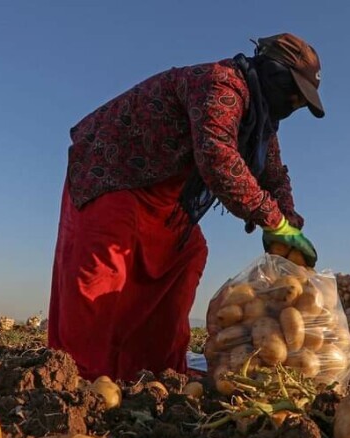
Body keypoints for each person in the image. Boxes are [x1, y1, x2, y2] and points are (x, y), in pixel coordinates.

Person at [48, 33, 325, 381]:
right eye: (294, 92)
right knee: (103, 274)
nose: (295, 102)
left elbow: (275, 175)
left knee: (187, 256)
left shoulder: (262, 122)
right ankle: (79, 379)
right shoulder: (221, 85)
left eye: (302, 100)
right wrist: (273, 221)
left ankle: (156, 371)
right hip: (115, 176)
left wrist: (290, 223)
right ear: (273, 73)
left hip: (163, 196)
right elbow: (218, 157)